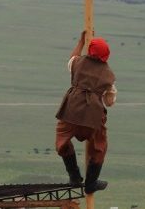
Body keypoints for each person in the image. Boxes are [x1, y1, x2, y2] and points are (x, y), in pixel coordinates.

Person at [55, 31, 117, 195]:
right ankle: (90, 183)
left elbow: (72, 59)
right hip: (93, 117)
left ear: (90, 50)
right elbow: (110, 102)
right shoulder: (109, 75)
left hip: (71, 112)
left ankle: (74, 177)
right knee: (99, 146)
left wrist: (81, 42)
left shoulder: (78, 62)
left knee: (62, 141)